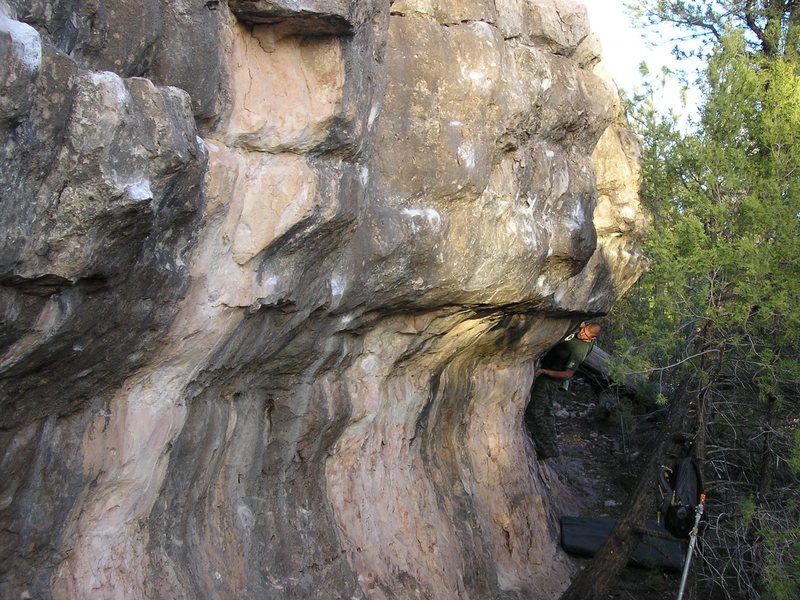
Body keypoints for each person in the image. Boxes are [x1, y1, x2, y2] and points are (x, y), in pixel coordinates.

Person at [525, 322, 601, 459]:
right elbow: (582, 326)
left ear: (592, 338)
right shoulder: (581, 332)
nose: (582, 334)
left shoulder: (579, 349)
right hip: (549, 375)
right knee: (547, 412)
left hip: (550, 379)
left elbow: (568, 374)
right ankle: (552, 447)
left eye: (586, 335)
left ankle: (545, 449)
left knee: (534, 411)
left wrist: (544, 371)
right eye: (583, 330)